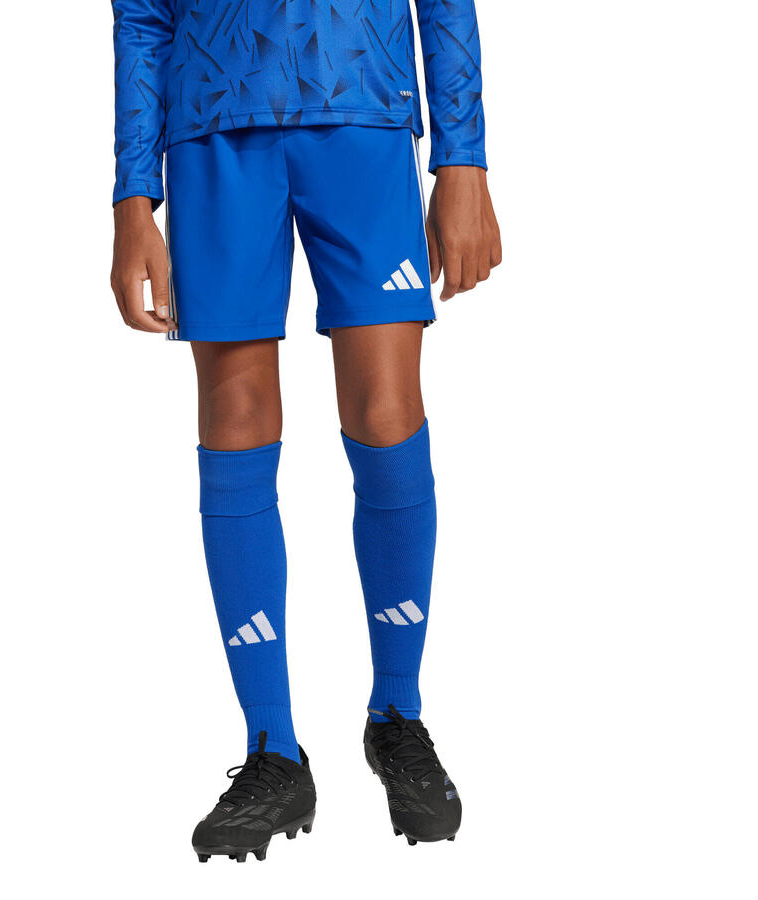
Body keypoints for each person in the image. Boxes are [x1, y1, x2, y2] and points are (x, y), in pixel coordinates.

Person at [110, 0, 501, 863]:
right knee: (235, 420)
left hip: (361, 100)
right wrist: (132, 196)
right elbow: (140, 15)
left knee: (387, 415)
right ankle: (273, 748)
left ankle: (397, 713)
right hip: (213, 121)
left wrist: (463, 159)